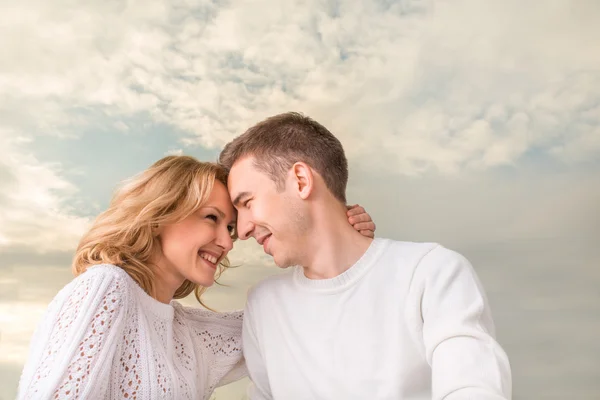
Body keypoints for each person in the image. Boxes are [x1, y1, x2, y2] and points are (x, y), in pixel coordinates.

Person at [17, 155, 376, 400]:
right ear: (160, 214)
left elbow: (298, 314)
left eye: (231, 228)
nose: (226, 242)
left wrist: (336, 241)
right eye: (211, 218)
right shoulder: (106, 288)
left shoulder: (189, 332)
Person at [218, 112, 513, 399]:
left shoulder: (431, 273)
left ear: (301, 180)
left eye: (247, 203)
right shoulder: (264, 305)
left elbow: (473, 387)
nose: (241, 231)